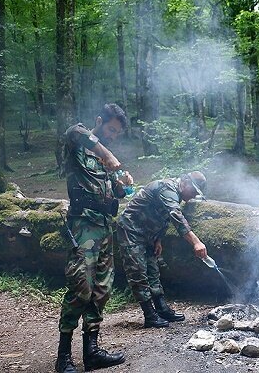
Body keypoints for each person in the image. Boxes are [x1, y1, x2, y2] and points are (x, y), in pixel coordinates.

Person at [55, 104, 132, 373]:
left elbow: (116, 195)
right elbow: (73, 130)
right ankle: (63, 356)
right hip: (83, 227)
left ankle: (92, 352)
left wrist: (123, 188)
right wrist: (106, 152)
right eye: (110, 130)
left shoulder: (105, 161)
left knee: (101, 290)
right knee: (80, 288)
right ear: (99, 121)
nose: (112, 136)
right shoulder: (79, 143)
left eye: (116, 134)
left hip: (104, 228)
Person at [116, 171, 209, 329]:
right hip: (131, 230)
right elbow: (174, 215)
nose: (193, 196)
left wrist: (158, 239)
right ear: (185, 182)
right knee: (138, 272)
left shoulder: (176, 194)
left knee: (153, 271)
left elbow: (162, 217)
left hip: (148, 234)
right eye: (193, 191)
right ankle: (149, 315)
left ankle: (162, 309)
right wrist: (196, 242)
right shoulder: (167, 188)